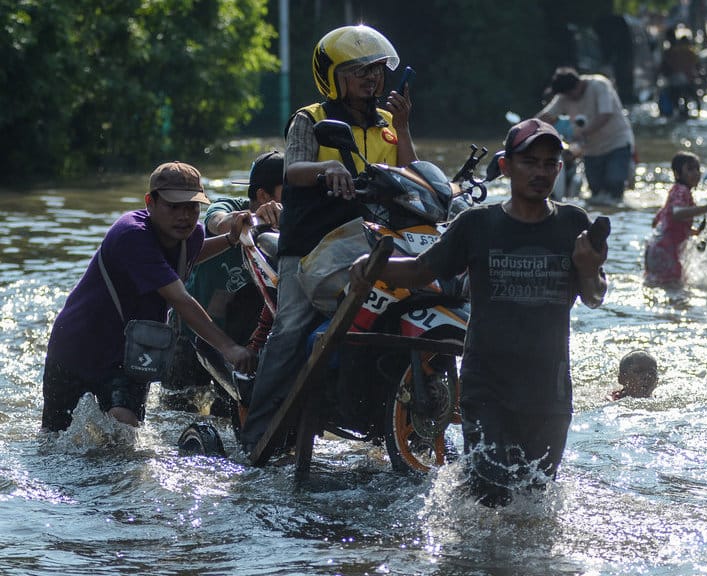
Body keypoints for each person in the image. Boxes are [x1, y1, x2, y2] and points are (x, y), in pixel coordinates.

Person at [349, 118, 608, 506]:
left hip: (549, 390)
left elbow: (594, 296)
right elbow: (422, 270)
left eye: (549, 163)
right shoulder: (477, 224)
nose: (540, 172)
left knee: (535, 501)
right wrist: (372, 266)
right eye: (530, 162)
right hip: (488, 387)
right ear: (505, 166)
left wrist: (588, 266)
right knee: (489, 497)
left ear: (559, 168)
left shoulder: (573, 224)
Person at [238, 25, 415, 454]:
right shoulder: (311, 119)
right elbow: (294, 169)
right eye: (358, 71)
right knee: (290, 327)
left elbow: (412, 174)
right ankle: (256, 435)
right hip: (312, 246)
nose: (371, 79)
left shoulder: (389, 122)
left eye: (375, 70)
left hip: (373, 242)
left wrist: (406, 126)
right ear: (334, 77)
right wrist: (326, 169)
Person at [41, 162, 256, 432]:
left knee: (126, 429)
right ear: (150, 202)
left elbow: (189, 255)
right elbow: (180, 299)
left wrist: (231, 239)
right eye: (173, 206)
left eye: (192, 207)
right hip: (77, 347)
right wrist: (229, 348)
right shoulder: (131, 234)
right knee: (54, 437)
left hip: (130, 353)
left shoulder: (191, 236)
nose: (184, 216)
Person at [162, 151, 285, 408]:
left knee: (226, 412)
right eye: (290, 191)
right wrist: (252, 220)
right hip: (191, 333)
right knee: (177, 410)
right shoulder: (229, 207)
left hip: (238, 344)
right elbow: (217, 222)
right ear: (263, 196)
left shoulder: (290, 225)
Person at [537, 67, 635, 205]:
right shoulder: (564, 96)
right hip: (591, 149)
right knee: (596, 192)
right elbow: (546, 116)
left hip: (616, 143)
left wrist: (583, 133)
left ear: (577, 84)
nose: (569, 99)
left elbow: (605, 115)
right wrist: (528, 129)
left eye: (570, 95)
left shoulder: (599, 85)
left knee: (615, 184)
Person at [644, 151, 707, 287]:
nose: (696, 173)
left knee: (659, 286)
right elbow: (676, 214)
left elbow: (659, 223)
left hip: (655, 250)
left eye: (697, 169)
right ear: (677, 174)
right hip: (664, 252)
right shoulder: (681, 191)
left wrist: (696, 232)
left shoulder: (675, 192)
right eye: (690, 169)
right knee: (675, 292)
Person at [659, 30, 702, 119]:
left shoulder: (670, 52)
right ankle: (690, 112)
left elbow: (665, 67)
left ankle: (680, 111)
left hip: (676, 80)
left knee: (677, 100)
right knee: (691, 98)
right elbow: (697, 66)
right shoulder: (690, 52)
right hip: (686, 79)